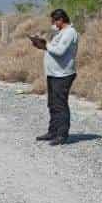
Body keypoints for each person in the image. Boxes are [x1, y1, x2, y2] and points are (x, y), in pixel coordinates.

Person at [30, 8, 79, 145]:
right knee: (52, 104)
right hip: (53, 74)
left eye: (54, 21)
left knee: (60, 104)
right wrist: (41, 44)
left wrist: (46, 45)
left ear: (61, 20)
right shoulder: (60, 32)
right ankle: (53, 131)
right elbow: (52, 46)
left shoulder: (70, 33)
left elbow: (59, 51)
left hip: (63, 74)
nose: (52, 24)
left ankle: (62, 135)